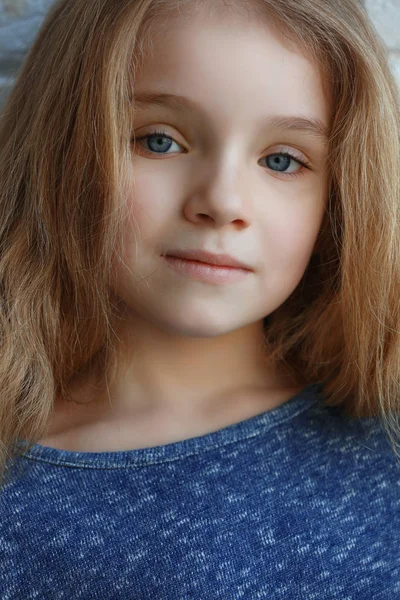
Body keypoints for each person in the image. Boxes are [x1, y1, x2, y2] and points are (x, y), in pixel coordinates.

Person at [0, 0, 399, 597]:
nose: (222, 201)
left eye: (282, 160)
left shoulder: (384, 453)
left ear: (341, 197)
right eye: (159, 141)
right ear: (61, 149)